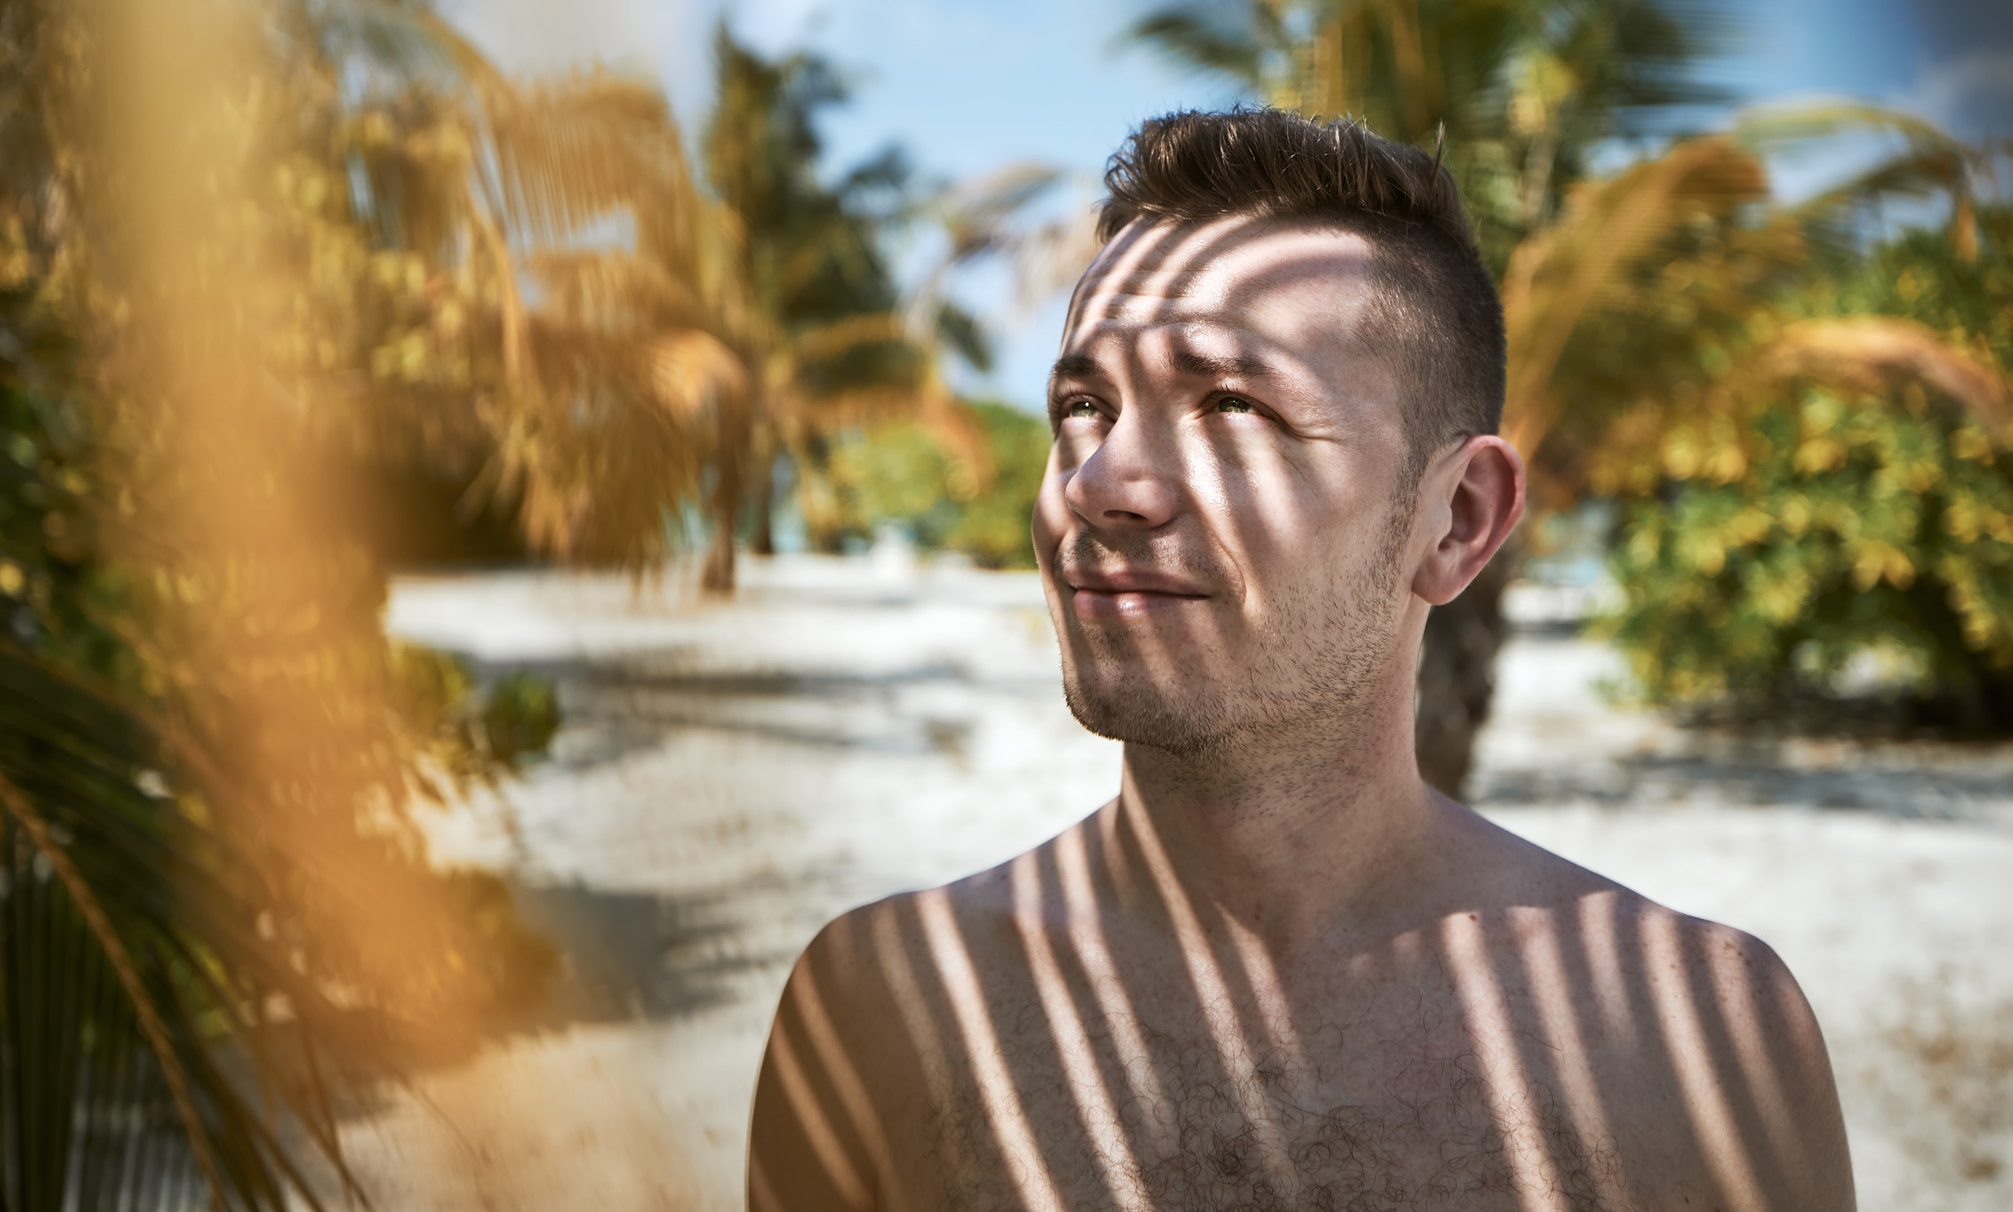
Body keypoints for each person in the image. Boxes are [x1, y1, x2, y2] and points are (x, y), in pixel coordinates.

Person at [745, 108, 1855, 1212]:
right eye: (1082, 405)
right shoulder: (881, 1010)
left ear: (1457, 519)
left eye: (1230, 404)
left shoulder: (1689, 1039)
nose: (1094, 483)